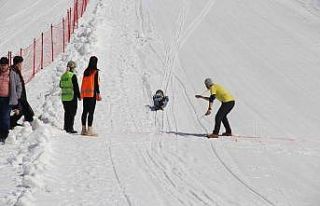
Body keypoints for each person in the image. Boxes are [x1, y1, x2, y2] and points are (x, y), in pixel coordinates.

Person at [0, 57, 22, 143]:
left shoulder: (12, 74)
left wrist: (16, 96)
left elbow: (19, 85)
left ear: (8, 65)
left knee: (5, 116)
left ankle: (4, 134)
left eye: (4, 65)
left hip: (7, 99)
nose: (2, 67)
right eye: (1, 65)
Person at [10, 56, 34, 129]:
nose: (21, 65)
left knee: (26, 111)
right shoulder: (13, 72)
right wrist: (16, 98)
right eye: (20, 63)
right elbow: (13, 86)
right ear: (17, 64)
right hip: (18, 96)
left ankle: (29, 124)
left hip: (21, 95)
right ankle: (11, 123)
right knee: (23, 111)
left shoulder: (16, 71)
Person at [80, 56, 101, 136]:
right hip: (92, 94)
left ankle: (83, 129)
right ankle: (90, 130)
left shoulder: (86, 71)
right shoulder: (95, 72)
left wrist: (82, 93)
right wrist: (98, 93)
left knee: (85, 111)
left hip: (85, 94)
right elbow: (96, 84)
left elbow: (83, 83)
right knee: (91, 112)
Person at [59, 60, 80, 133]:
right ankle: (70, 128)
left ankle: (66, 127)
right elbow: (76, 87)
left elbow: (60, 85)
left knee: (67, 112)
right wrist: (79, 96)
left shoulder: (63, 75)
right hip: (71, 96)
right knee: (72, 113)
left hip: (64, 97)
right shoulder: (72, 75)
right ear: (72, 68)